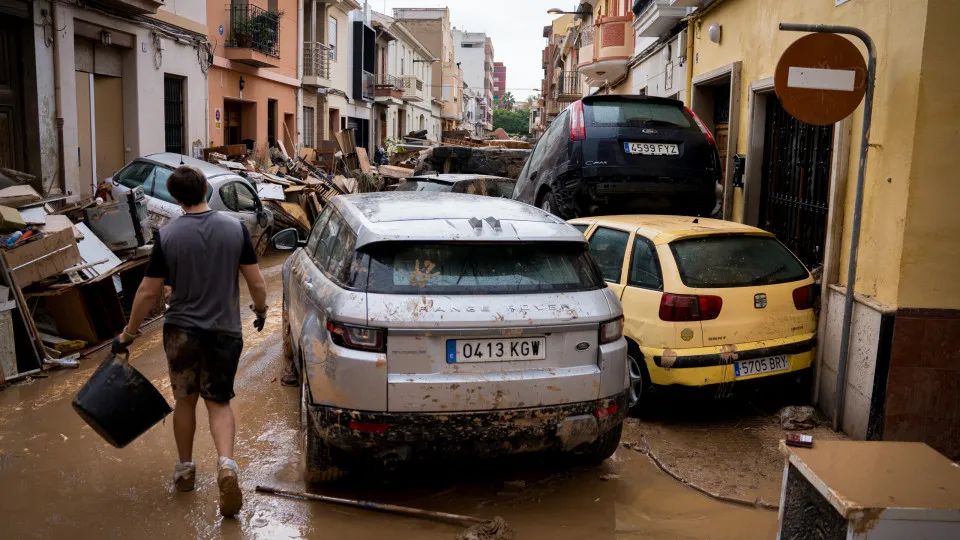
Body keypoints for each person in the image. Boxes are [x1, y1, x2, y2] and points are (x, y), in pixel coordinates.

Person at [113, 165, 268, 518]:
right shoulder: (235, 229)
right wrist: (260, 311)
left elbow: (148, 291)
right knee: (219, 402)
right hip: (224, 331)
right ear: (205, 191)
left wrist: (129, 333)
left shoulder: (167, 236)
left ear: (176, 198)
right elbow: (257, 284)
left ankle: (185, 470)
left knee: (185, 401)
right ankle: (227, 465)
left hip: (181, 331)